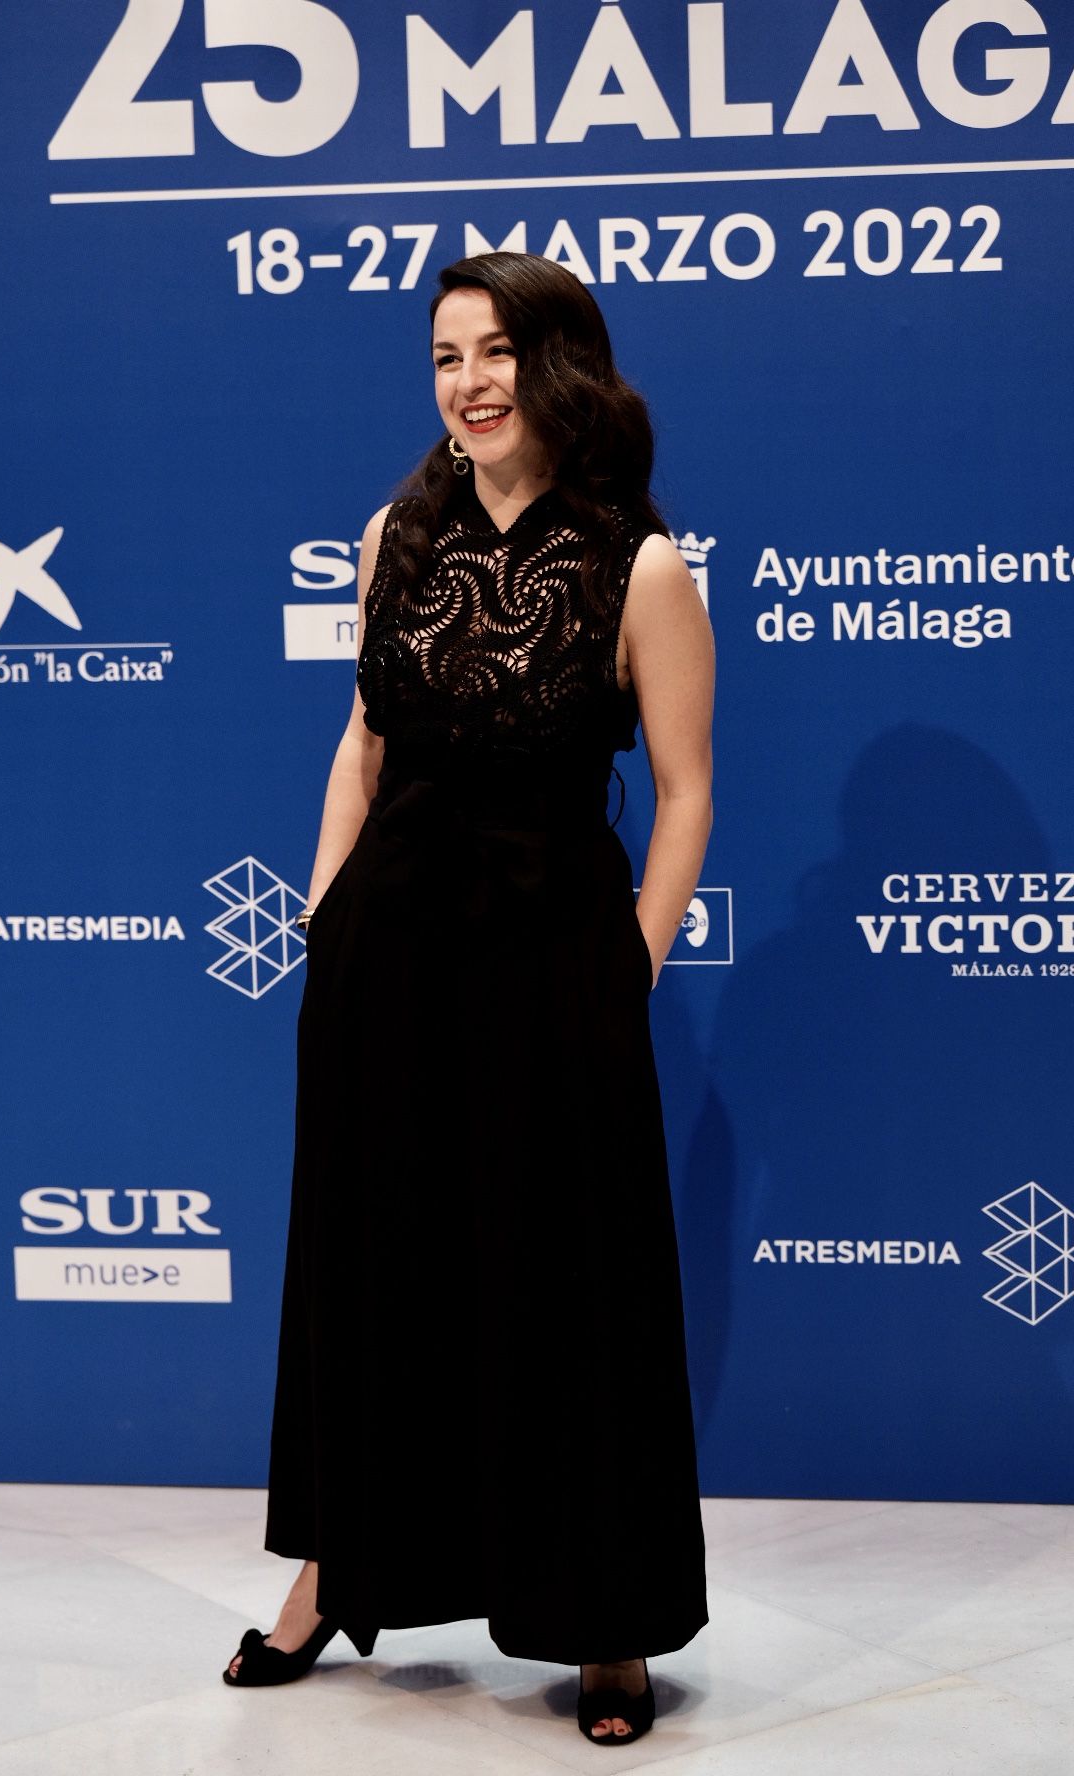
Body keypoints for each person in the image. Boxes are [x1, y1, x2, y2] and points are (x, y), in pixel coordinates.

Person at [223, 250, 715, 1747]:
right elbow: (362, 741)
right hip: (392, 950)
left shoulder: (640, 563)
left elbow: (686, 793)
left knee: (572, 1284)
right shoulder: (397, 534)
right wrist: (324, 907)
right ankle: (334, 1571)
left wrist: (627, 960)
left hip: (554, 953)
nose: (470, 382)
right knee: (375, 1270)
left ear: (559, 365)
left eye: (496, 351)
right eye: (446, 356)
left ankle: (605, 1619)